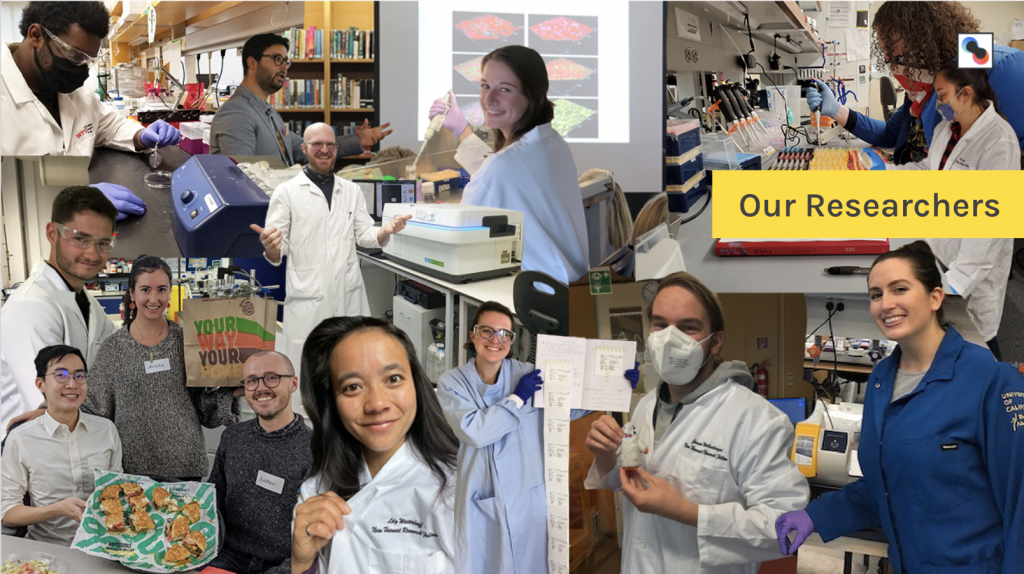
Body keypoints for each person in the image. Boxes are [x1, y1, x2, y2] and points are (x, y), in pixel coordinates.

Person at [777, 241, 1024, 574]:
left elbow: (1019, 502)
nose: (885, 304)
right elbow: (887, 485)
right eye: (876, 294)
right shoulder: (881, 380)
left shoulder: (990, 380)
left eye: (900, 289)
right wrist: (815, 515)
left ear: (935, 297)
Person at [585, 272, 809, 574]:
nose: (669, 339)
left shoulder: (757, 420)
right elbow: (626, 478)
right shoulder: (647, 404)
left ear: (715, 342)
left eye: (688, 327)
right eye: (661, 325)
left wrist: (687, 512)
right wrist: (604, 453)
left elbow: (786, 529)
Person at [436, 301, 638, 574]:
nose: (495, 340)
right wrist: (517, 398)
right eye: (486, 331)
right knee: (486, 564)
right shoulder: (453, 383)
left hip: (527, 495)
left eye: (504, 333)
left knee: (534, 563)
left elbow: (566, 406)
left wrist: (617, 386)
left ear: (512, 339)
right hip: (483, 496)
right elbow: (476, 431)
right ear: (473, 335)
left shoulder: (528, 372)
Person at [290, 317, 459, 574]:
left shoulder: (460, 490)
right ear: (332, 401)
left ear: (417, 384)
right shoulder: (317, 490)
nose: (377, 404)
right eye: (353, 387)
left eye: (393, 379)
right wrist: (301, 562)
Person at [427, 45, 589, 284]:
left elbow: (460, 233)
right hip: (571, 284)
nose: (489, 99)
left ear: (532, 95)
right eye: (485, 86)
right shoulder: (552, 142)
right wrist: (462, 129)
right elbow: (502, 171)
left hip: (538, 296)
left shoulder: (503, 168)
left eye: (505, 89)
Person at [1, 2, 179, 219]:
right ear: (36, 35)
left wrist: (141, 135)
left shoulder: (78, 94)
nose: (82, 71)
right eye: (75, 56)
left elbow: (110, 126)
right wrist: (74, 200)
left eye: (88, 61)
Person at [805, 1, 1024, 166]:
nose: (893, 68)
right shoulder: (924, 87)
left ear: (928, 39)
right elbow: (889, 134)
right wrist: (836, 110)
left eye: (896, 56)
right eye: (886, 56)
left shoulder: (998, 69)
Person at [251, 123, 411, 347]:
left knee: (350, 362)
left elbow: (363, 234)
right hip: (308, 299)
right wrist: (271, 247)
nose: (324, 150)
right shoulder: (286, 192)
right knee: (310, 367)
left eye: (330, 144)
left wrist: (386, 230)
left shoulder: (351, 190)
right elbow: (278, 249)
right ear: (304, 149)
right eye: (316, 144)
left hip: (348, 295)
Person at [82, 256, 240, 480]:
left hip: (185, 466)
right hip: (132, 472)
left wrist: (233, 390)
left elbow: (205, 410)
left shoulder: (188, 341)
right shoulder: (113, 349)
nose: (153, 298)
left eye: (161, 289)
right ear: (132, 293)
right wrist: (48, 409)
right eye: (145, 289)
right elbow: (95, 407)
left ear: (170, 293)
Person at [0, 186, 119, 440]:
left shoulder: (77, 298)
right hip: (31, 454)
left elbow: (119, 348)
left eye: (103, 243)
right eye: (80, 239)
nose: (92, 254)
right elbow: (55, 402)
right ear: (52, 233)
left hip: (69, 446)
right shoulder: (31, 306)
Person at [1, 345, 122, 545]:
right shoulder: (21, 439)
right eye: (61, 375)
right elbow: (7, 513)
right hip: (50, 548)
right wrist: (57, 509)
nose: (72, 384)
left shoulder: (106, 430)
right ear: (40, 384)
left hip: (105, 546)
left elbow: (117, 489)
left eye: (79, 375)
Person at [210, 33, 391, 166]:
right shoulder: (236, 114)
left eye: (286, 61)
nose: (284, 67)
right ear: (252, 62)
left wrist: (358, 140)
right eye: (277, 59)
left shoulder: (269, 112)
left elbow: (304, 149)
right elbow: (241, 178)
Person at [208, 351, 311, 574]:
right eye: (252, 381)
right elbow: (212, 497)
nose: (261, 388)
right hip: (227, 555)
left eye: (272, 377)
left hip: (283, 563)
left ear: (293, 383)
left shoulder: (317, 451)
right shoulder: (233, 437)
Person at [883, 63, 1019, 170]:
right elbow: (928, 169)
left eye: (942, 96)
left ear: (965, 93)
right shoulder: (944, 128)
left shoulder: (1000, 141)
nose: (939, 104)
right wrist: (884, 170)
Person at [926, 238, 1013, 360]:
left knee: (981, 347)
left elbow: (970, 268)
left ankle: (1000, 375)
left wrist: (925, 296)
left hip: (974, 288)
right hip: (943, 269)